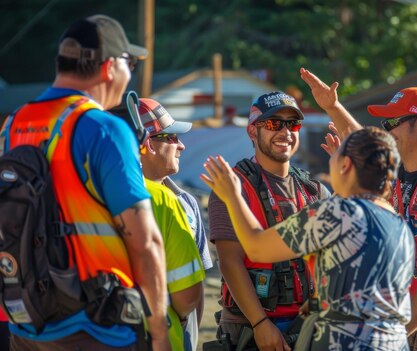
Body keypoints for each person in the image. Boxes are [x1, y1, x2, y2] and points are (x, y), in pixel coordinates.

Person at [0, 15, 170, 350]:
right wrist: (159, 330)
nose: (130, 73)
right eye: (130, 62)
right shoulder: (104, 129)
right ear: (109, 67)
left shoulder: (12, 126)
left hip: (27, 324)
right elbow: (146, 241)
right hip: (96, 327)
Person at [300, 68, 417, 350]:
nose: (386, 130)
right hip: (401, 313)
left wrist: (396, 332)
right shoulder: (400, 170)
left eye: (392, 121)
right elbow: (366, 144)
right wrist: (332, 107)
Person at [202, 127, 414, 350]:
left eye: (335, 159)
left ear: (346, 165)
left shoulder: (337, 212)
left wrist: (233, 195)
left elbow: (256, 247)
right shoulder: (397, 221)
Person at [208, 91, 330, 350]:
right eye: (275, 124)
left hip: (308, 323)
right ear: (253, 131)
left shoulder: (313, 189)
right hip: (251, 326)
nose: (285, 132)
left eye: (292, 124)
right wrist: (260, 323)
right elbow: (230, 261)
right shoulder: (231, 185)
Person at [137, 98, 213, 351]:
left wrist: (188, 331)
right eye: (170, 138)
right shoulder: (112, 201)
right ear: (147, 144)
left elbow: (198, 283)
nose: (180, 145)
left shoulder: (187, 203)